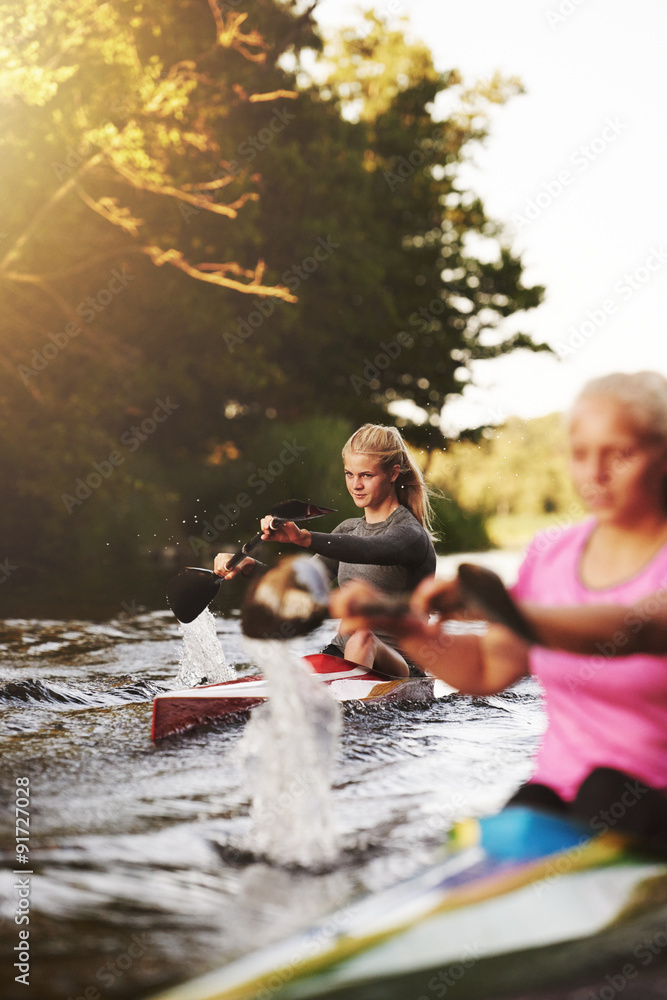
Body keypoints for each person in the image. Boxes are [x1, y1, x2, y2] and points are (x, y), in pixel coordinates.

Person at [331, 373, 667, 853]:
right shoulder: (551, 555)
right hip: (557, 794)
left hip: (644, 797)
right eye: (580, 453)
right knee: (527, 812)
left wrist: (505, 610)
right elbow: (489, 667)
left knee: (606, 790)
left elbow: (639, 629)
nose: (595, 472)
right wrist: (407, 627)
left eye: (621, 454)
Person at [215, 423, 437, 677]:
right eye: (349, 474)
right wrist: (249, 566)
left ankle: (350, 708)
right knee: (291, 674)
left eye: (366, 475)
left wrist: (304, 538)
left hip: (403, 671)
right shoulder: (347, 530)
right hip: (340, 656)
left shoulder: (411, 535)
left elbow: (369, 550)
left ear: (393, 473)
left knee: (363, 637)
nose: (356, 485)